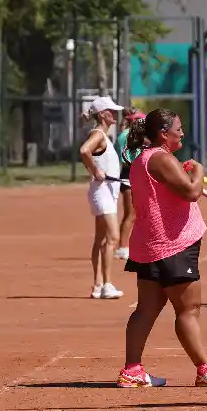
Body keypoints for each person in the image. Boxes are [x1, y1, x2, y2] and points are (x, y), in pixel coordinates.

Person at [119, 108, 207, 388]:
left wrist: (181, 172)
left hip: (151, 244)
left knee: (146, 309)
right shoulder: (159, 158)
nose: (182, 133)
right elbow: (191, 191)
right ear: (163, 134)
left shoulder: (148, 159)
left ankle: (132, 370)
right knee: (188, 309)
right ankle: (205, 369)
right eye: (178, 129)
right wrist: (198, 171)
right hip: (172, 246)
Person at [78, 95, 126, 299]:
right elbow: (84, 151)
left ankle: (97, 285)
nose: (115, 114)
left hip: (107, 190)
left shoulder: (102, 136)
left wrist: (95, 169)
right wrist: (96, 170)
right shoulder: (98, 134)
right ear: (104, 115)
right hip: (102, 191)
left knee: (100, 239)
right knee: (113, 237)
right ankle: (107, 285)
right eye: (112, 111)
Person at [113, 108, 145, 262]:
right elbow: (127, 159)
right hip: (129, 176)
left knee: (139, 214)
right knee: (130, 214)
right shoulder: (126, 136)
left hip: (137, 176)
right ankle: (122, 248)